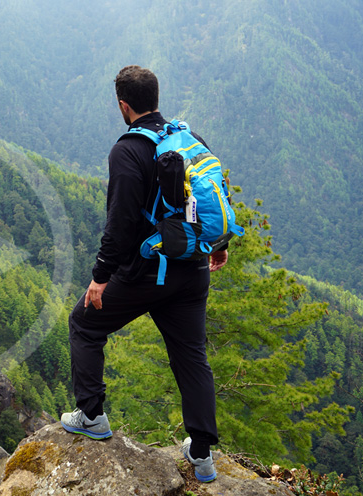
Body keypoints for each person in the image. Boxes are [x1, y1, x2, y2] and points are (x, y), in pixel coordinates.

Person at [60, 65, 227, 483]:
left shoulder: (128, 150)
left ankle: (92, 416)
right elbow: (213, 196)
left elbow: (118, 224)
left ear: (123, 105)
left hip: (146, 273)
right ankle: (202, 457)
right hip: (192, 270)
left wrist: (100, 277)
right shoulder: (189, 138)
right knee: (192, 357)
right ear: (156, 97)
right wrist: (220, 245)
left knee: (84, 323)